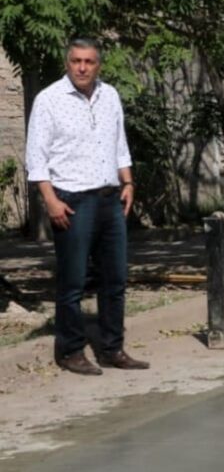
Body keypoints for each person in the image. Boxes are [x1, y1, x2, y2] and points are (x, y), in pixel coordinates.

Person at [25, 38, 149, 376]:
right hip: (72, 200)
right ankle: (70, 350)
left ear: (98, 65)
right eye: (76, 61)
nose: (82, 67)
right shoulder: (49, 100)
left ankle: (112, 348)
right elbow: (36, 158)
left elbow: (119, 143)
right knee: (73, 280)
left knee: (115, 278)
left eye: (89, 62)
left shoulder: (109, 96)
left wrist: (128, 183)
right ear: (67, 63)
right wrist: (50, 201)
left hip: (110, 197)